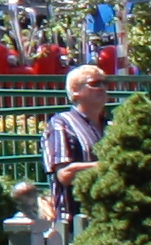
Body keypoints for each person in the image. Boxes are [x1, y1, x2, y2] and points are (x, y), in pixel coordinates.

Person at [42, 63, 113, 224]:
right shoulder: (61, 123)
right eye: (95, 84)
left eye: (105, 83)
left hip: (109, 218)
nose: (103, 88)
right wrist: (108, 167)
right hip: (74, 222)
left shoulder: (111, 126)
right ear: (75, 90)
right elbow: (65, 174)